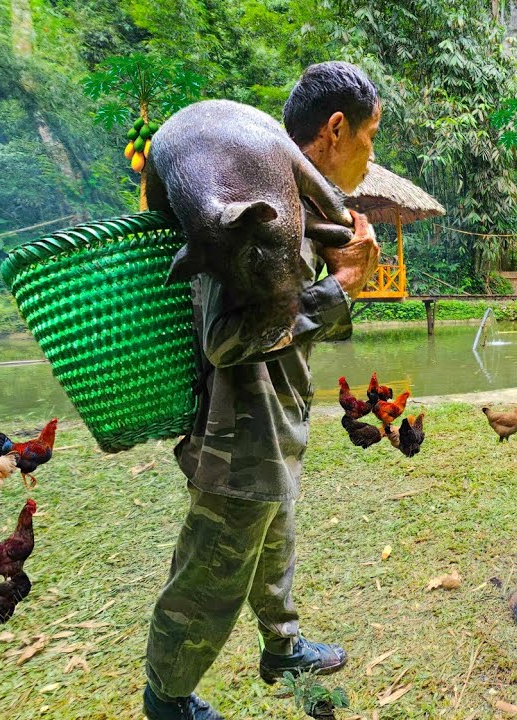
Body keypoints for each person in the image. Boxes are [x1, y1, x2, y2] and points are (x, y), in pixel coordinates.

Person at [143, 61, 382, 720]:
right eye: (370, 137)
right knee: (211, 576)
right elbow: (226, 338)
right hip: (235, 439)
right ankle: (166, 699)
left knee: (277, 539)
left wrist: (340, 270)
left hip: (275, 423)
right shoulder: (250, 203)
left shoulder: (294, 204)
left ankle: (282, 647)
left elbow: (287, 318)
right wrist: (340, 289)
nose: (371, 155)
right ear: (337, 129)